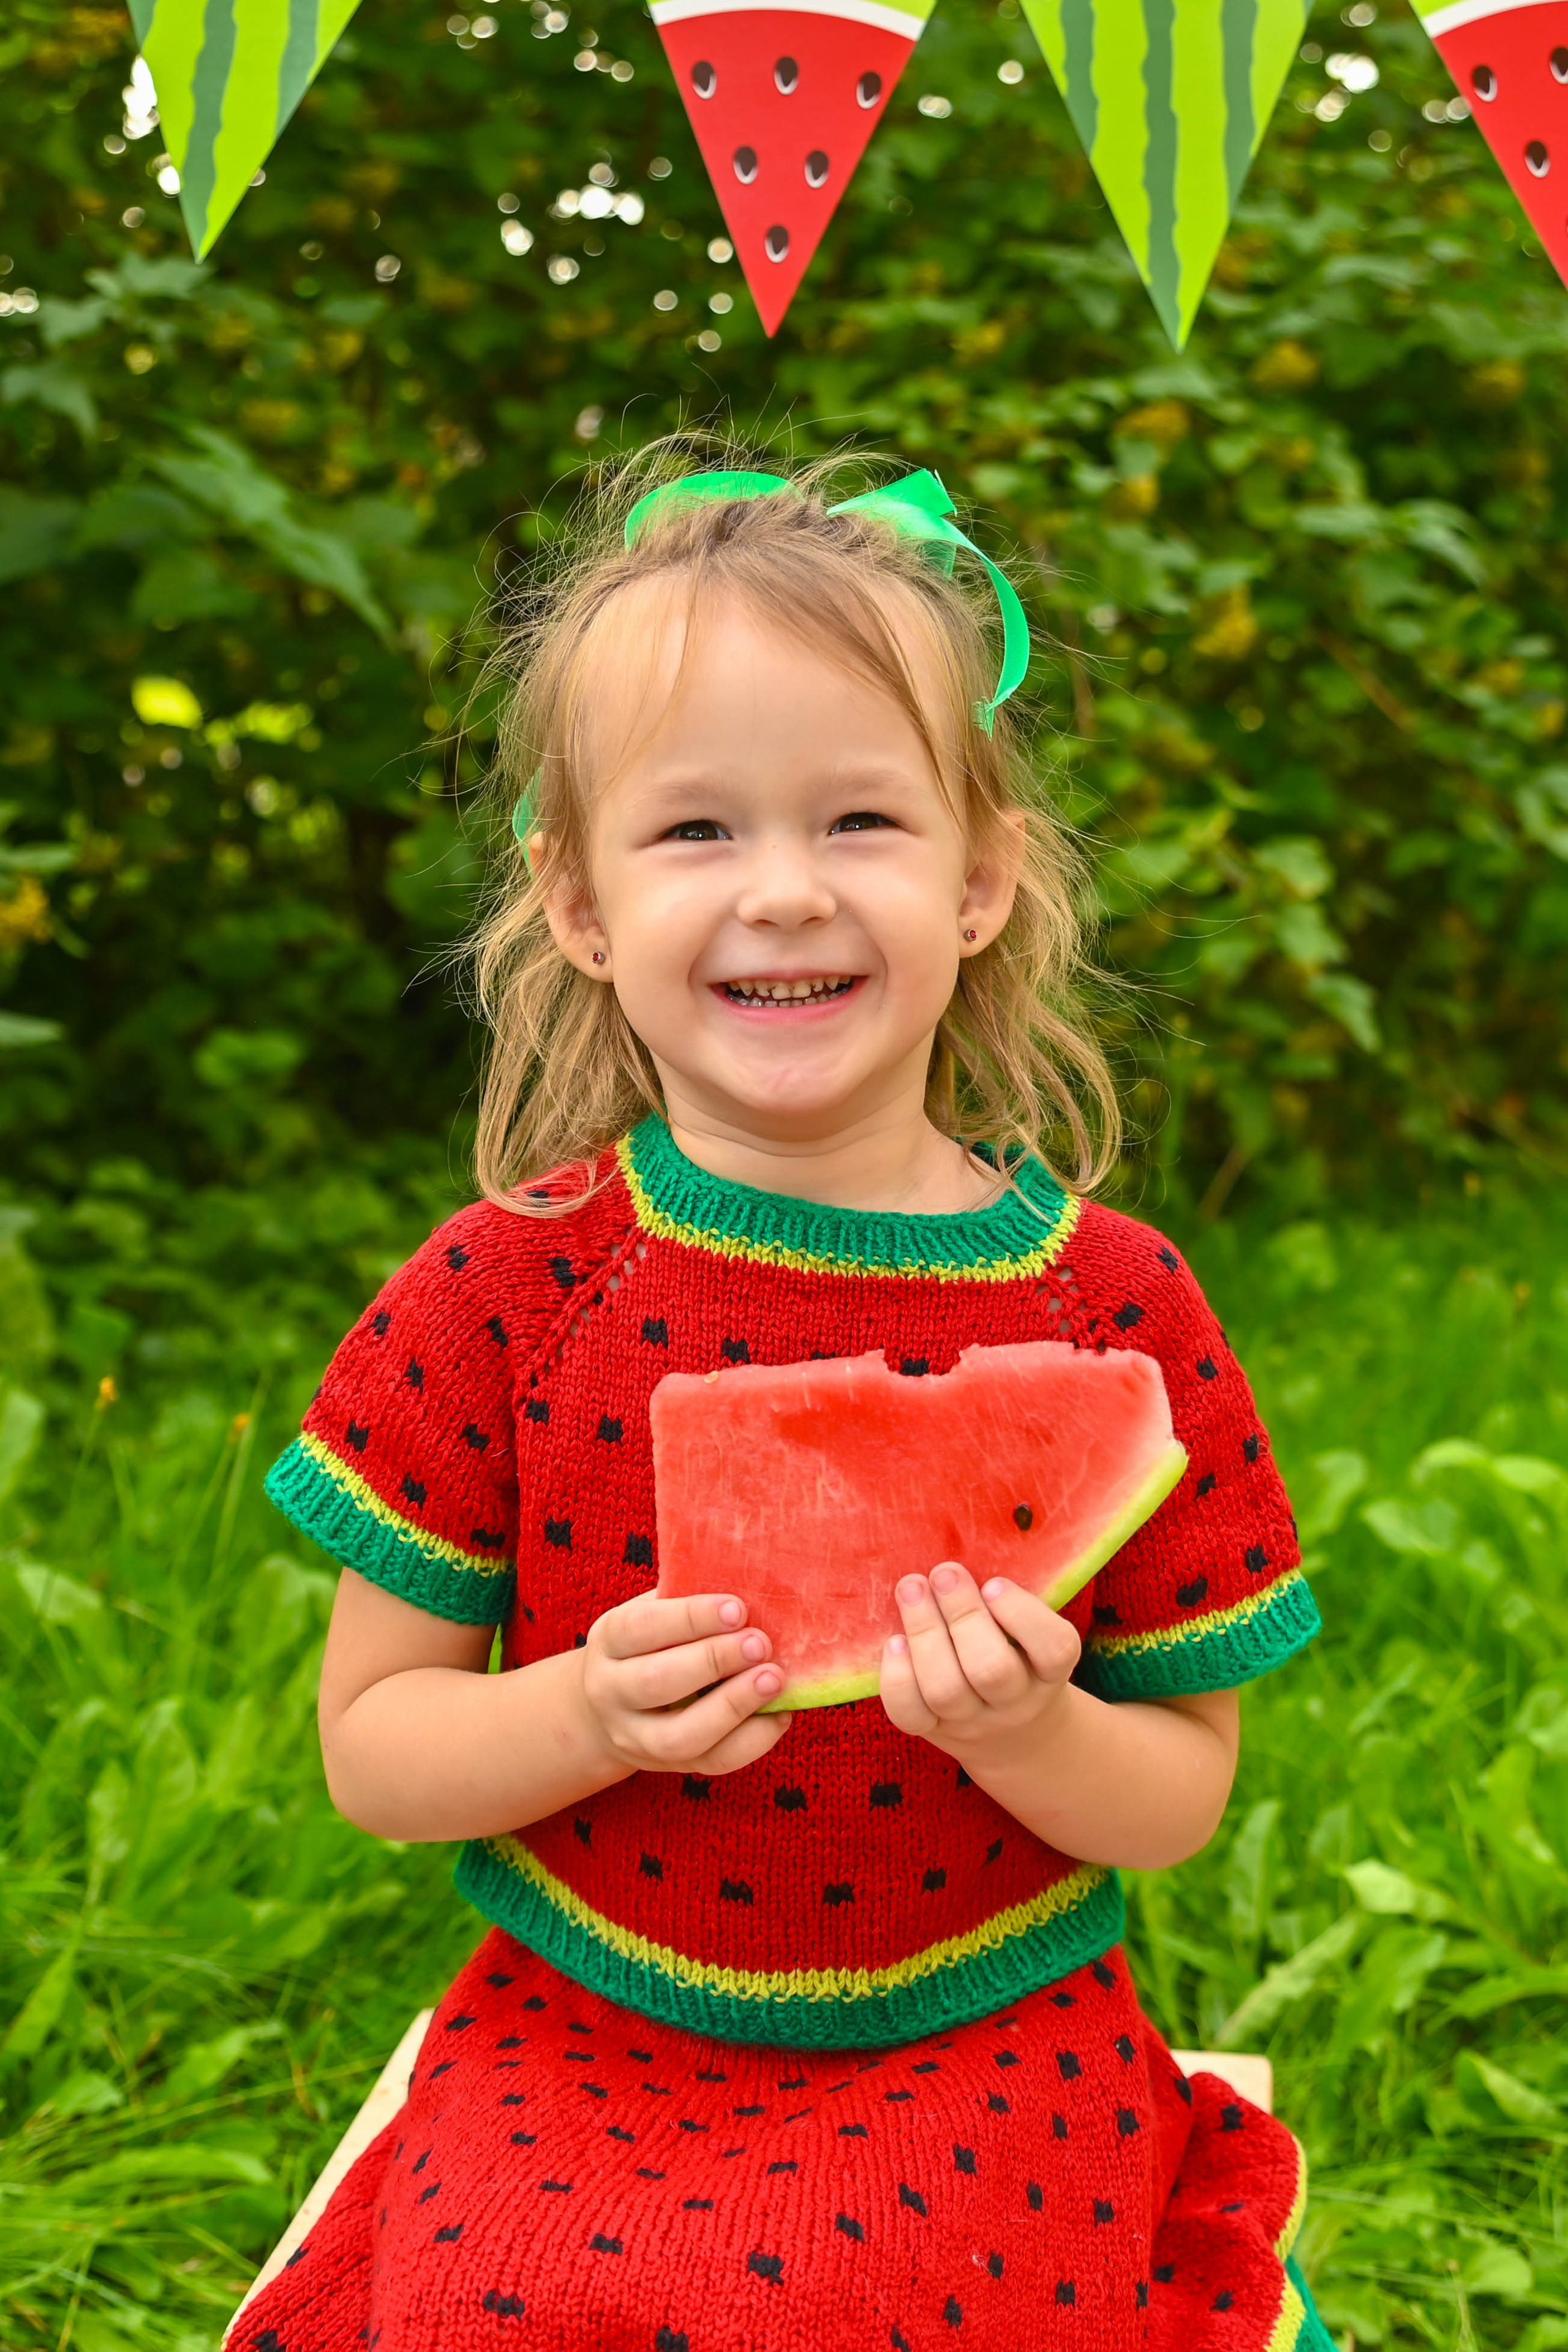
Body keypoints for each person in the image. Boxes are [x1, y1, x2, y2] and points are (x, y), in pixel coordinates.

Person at [241, 451, 1330, 2352]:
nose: (785, 893)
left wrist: (1030, 1731)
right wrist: (583, 1713)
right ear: (578, 908)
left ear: (980, 881)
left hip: (985, 2012)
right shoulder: (510, 1290)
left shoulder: (1114, 1310)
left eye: (859, 820)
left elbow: (1177, 1797)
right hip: (597, 2015)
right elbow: (376, 1750)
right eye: (695, 834)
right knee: (512, 2314)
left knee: (881, 2305)